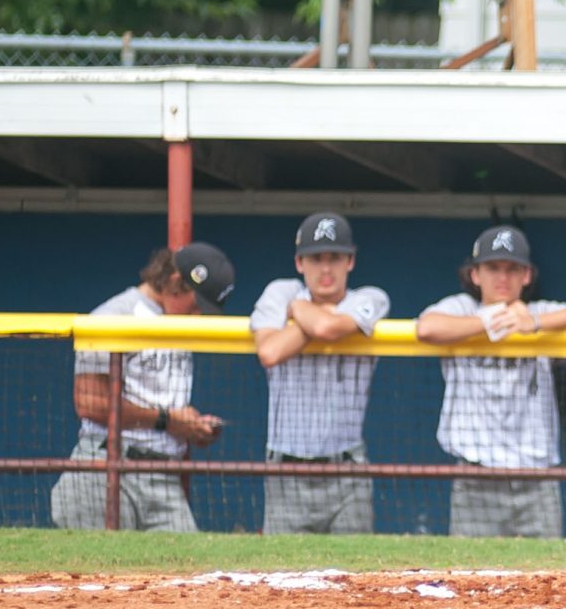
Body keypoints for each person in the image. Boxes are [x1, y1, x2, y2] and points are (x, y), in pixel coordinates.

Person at [415, 225, 566, 539]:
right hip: (476, 477)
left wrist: (535, 323)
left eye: (512, 269)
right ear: (475, 274)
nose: (503, 277)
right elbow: (427, 328)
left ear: (526, 276)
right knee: (471, 577)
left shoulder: (537, 312)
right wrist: (490, 321)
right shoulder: (462, 308)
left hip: (535, 477)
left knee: (543, 577)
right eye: (493, 268)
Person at [49, 243, 236, 532]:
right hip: (106, 468)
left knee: (186, 571)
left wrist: (189, 425)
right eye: (196, 305)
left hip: (164, 477)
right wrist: (167, 420)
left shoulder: (180, 322)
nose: (198, 316)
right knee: (101, 573)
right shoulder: (115, 315)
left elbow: (162, 404)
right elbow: (89, 401)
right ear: (174, 284)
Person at [249, 212, 389, 535]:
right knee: (282, 580)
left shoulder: (371, 298)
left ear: (350, 262)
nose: (325, 269)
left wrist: (299, 313)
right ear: (300, 263)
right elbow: (269, 352)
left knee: (354, 578)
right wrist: (312, 317)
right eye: (315, 259)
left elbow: (327, 327)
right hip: (286, 466)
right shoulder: (280, 292)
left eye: (335, 258)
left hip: (346, 469)